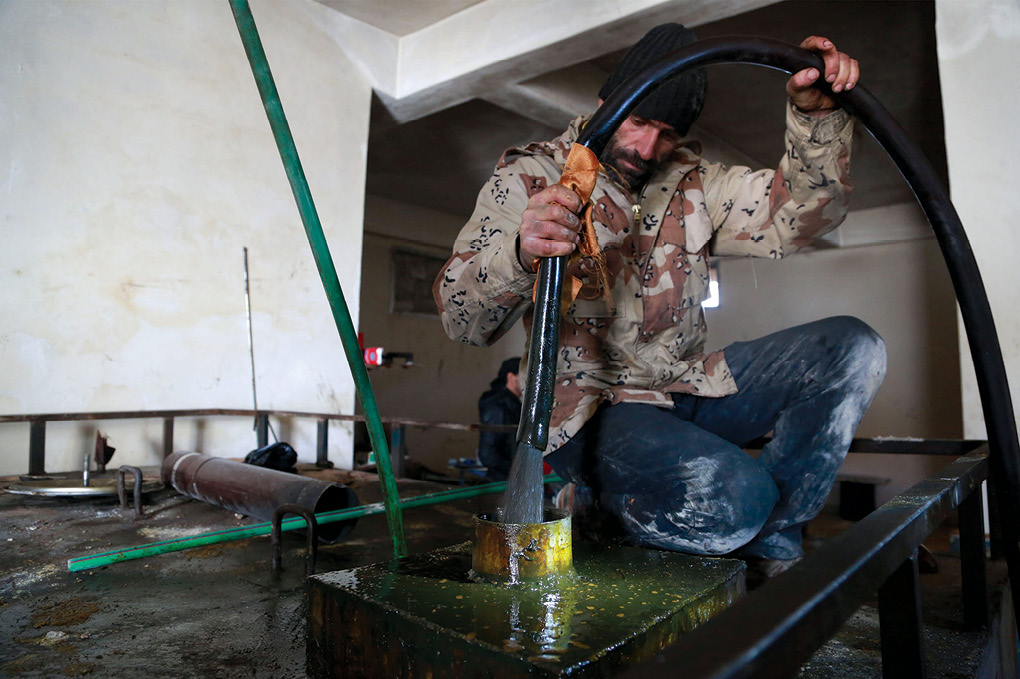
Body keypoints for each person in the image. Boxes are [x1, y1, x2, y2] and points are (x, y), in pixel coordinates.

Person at [433, 24, 886, 578]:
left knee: (851, 347)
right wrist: (521, 254)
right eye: (639, 121)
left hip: (685, 389)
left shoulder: (697, 184)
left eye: (667, 132)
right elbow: (461, 319)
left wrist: (818, 119)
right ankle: (602, 508)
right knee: (732, 502)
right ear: (607, 103)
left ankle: (770, 541)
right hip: (590, 409)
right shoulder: (533, 176)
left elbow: (800, 217)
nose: (648, 148)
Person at [477, 357, 523, 481]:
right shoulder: (497, 407)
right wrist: (516, 470)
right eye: (523, 375)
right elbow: (487, 454)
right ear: (511, 376)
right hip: (501, 482)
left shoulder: (513, 405)